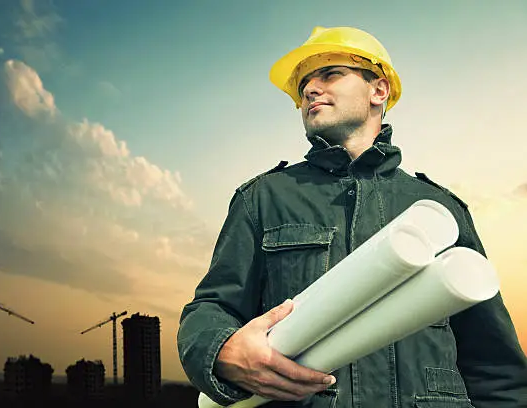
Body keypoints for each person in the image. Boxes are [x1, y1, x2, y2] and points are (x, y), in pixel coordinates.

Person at [177, 26, 527, 408]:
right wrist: (222, 350)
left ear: (379, 90)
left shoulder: (439, 211)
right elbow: (210, 309)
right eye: (304, 85)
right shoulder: (262, 199)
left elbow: (497, 372)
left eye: (329, 73)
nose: (310, 89)